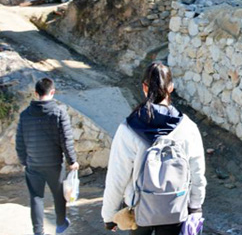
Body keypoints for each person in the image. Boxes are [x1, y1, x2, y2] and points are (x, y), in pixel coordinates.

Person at [101, 62, 207, 235]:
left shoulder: (129, 128)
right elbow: (197, 172)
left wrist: (109, 215)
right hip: (175, 209)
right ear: (171, 87)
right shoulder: (188, 128)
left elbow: (117, 176)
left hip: (139, 211)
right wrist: (195, 206)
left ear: (144, 87)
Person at [15, 77, 79, 235]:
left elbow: (20, 142)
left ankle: (38, 232)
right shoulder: (59, 112)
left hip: (33, 165)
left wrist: (25, 162)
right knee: (58, 195)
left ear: (36, 93)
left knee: (36, 198)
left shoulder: (25, 115)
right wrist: (72, 161)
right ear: (53, 92)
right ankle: (60, 225)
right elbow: (66, 140)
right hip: (54, 165)